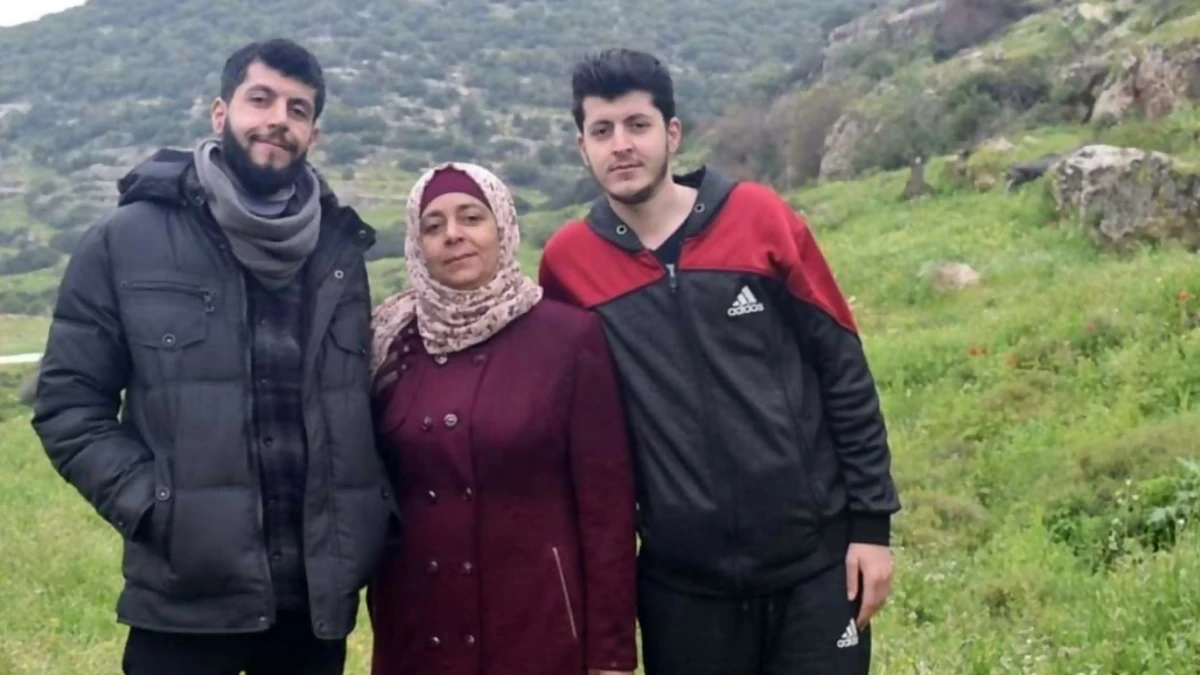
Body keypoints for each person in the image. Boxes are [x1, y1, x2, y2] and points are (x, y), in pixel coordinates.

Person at [30, 38, 397, 675]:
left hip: (313, 610)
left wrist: (372, 517)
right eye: (261, 99)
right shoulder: (125, 240)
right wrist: (156, 509)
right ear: (221, 113)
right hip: (182, 603)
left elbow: (357, 404)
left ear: (313, 133)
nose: (278, 119)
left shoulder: (339, 252)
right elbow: (68, 406)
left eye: (298, 109)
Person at [538, 48, 903, 675]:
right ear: (582, 147)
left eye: (638, 125)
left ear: (672, 133)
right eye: (602, 131)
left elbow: (842, 370)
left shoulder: (760, 218)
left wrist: (871, 529)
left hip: (814, 566)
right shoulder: (569, 265)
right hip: (684, 587)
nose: (621, 145)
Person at [366, 161, 638, 675]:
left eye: (472, 217)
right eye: (433, 225)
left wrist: (612, 654)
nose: (453, 235)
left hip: (535, 624)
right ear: (417, 246)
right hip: (418, 629)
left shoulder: (568, 338)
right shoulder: (390, 344)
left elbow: (607, 511)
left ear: (503, 227)